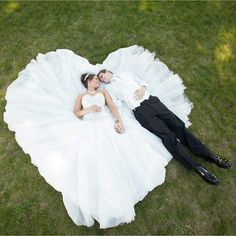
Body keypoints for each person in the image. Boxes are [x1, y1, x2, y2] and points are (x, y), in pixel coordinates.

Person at [97, 69, 231, 185]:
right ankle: (198, 168)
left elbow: (141, 80)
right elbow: (115, 105)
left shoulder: (126, 73)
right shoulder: (110, 89)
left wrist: (143, 87)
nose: (103, 78)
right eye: (101, 79)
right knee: (168, 136)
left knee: (179, 126)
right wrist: (118, 120)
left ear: (108, 71)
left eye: (102, 75)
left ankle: (210, 155)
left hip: (152, 101)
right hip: (141, 111)